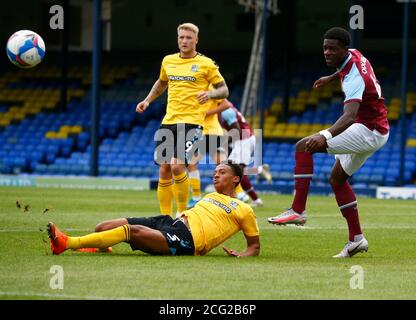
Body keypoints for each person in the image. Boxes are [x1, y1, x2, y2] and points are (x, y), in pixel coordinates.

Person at [268, 27, 389, 258]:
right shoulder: (354, 54)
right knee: (337, 179)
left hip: (367, 129)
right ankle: (356, 239)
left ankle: (297, 210)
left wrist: (325, 135)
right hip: (376, 129)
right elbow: (345, 69)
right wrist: (331, 77)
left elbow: (350, 115)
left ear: (344, 49)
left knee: (304, 146)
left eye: (333, 49)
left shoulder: (355, 77)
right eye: (325, 48)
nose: (327, 52)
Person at [47, 162, 260, 257]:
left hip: (187, 239)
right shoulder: (210, 195)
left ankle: (67, 243)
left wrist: (243, 254)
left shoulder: (244, 209)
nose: (215, 175)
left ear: (235, 179)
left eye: (221, 172)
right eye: (214, 172)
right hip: (170, 222)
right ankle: (100, 244)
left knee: (132, 232)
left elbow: (254, 246)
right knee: (102, 226)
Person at [135, 23, 229, 216]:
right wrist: (147, 100)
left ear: (196, 40)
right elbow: (161, 83)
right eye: (181, 38)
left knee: (177, 165)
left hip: (192, 122)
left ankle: (183, 213)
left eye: (188, 38)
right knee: (164, 169)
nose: (184, 41)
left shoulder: (206, 64)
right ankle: (165, 217)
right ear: (177, 39)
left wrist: (210, 95)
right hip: (169, 121)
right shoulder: (168, 61)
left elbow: (224, 90)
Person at [218, 99, 272, 207]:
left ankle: (240, 196)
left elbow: (237, 130)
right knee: (237, 171)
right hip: (242, 140)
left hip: (244, 139)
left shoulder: (226, 111)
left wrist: (224, 144)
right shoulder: (223, 109)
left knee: (233, 171)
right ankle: (255, 197)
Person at [186, 92, 229, 209]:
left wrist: (207, 113)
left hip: (212, 132)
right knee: (192, 163)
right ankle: (196, 197)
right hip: (200, 131)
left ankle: (228, 195)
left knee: (222, 166)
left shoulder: (211, 89)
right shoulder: (194, 88)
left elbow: (226, 104)